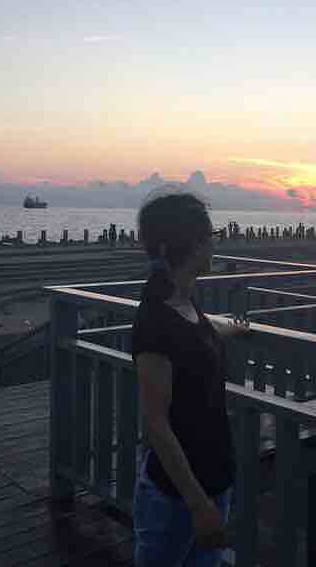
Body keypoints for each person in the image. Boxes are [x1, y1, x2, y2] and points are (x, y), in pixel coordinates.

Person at [132, 191, 249, 567]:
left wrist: (232, 326)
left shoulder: (184, 304)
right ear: (185, 246)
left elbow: (198, 331)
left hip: (213, 480)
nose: (213, 245)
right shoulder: (155, 322)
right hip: (176, 498)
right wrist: (199, 505)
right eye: (208, 238)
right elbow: (157, 426)